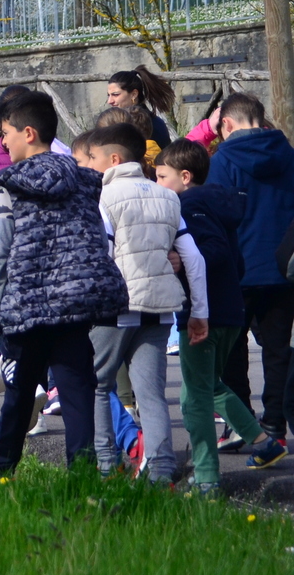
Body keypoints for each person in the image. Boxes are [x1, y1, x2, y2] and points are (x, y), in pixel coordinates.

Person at [0, 93, 127, 484]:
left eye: (6, 134)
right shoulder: (84, 183)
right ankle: (84, 477)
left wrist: (0, 311)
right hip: (75, 308)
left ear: (29, 134)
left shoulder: (13, 186)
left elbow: (0, 252)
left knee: (19, 395)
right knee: (77, 395)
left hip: (29, 308)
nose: (3, 143)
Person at [75, 122, 207, 483]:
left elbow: (102, 252)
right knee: (151, 393)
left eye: (92, 158)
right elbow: (193, 258)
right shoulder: (167, 196)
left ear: (113, 159)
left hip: (116, 308)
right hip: (161, 309)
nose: (88, 165)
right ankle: (162, 469)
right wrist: (199, 312)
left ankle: (107, 464)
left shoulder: (104, 198)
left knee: (97, 385)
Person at [155, 138, 279, 489]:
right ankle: (262, 441)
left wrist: (182, 262)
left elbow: (214, 252)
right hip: (228, 309)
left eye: (162, 176)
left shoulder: (189, 204)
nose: (158, 184)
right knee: (207, 386)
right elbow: (234, 260)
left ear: (185, 176)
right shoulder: (214, 203)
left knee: (195, 397)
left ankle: (208, 476)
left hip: (203, 312)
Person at [209, 92, 294, 468]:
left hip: (238, 267)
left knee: (232, 349)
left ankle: (241, 423)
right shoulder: (289, 155)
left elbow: (217, 213)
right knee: (277, 350)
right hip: (284, 267)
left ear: (226, 124)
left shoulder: (223, 158)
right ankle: (275, 423)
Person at [107, 66, 175, 146]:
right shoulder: (152, 120)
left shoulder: (142, 123)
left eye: (115, 95)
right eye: (108, 95)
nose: (109, 101)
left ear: (134, 94)